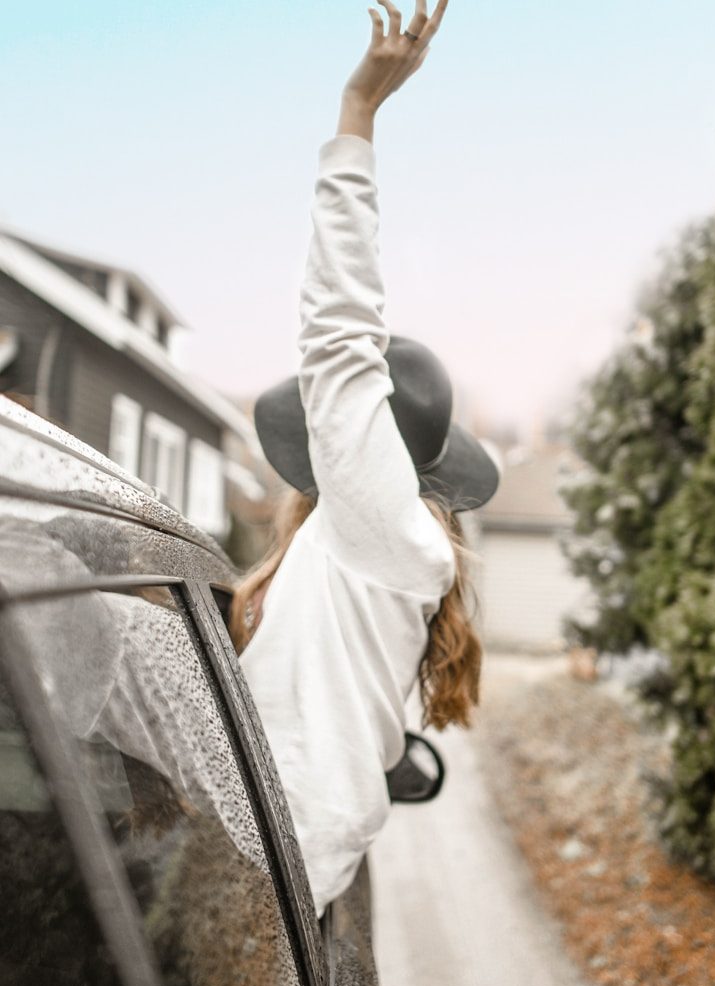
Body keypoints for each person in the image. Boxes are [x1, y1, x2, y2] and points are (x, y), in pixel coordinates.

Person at [232, 0, 499, 919]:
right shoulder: (368, 556)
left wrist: (358, 115)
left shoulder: (383, 535)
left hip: (268, 867)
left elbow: (342, 335)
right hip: (265, 849)